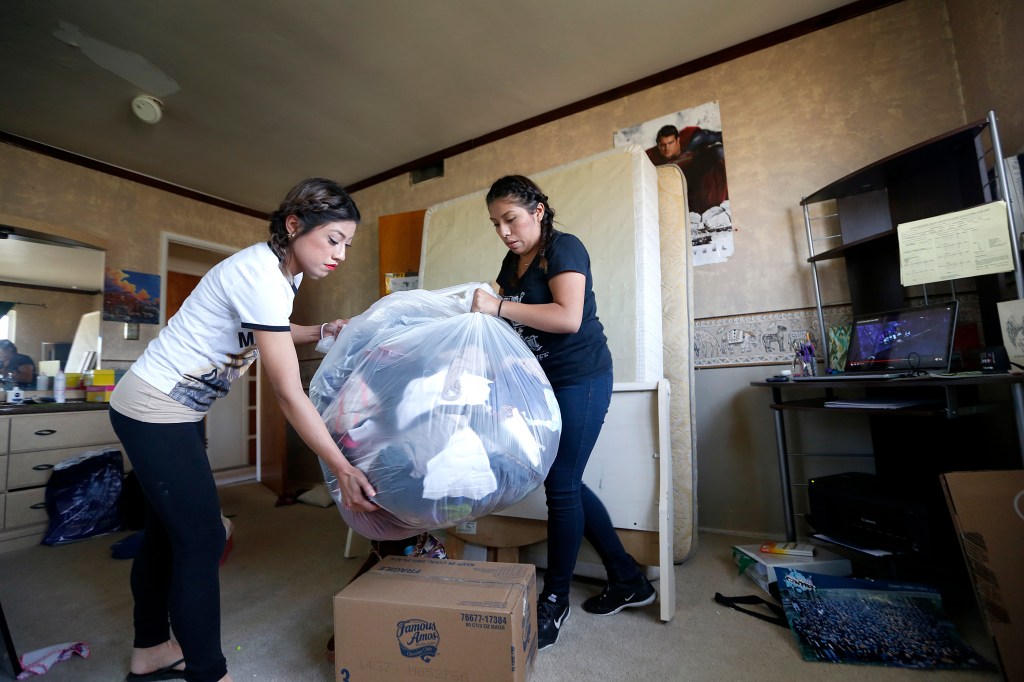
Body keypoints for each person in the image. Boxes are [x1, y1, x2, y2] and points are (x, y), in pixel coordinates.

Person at [108, 178, 379, 682]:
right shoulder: (257, 273)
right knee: (203, 537)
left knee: (169, 535)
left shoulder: (284, 274)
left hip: (177, 410)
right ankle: (209, 673)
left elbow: (268, 330)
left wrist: (320, 331)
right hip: (152, 408)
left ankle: (149, 650)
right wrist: (340, 468)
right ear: (295, 225)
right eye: (333, 239)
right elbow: (287, 392)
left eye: (347, 244)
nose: (340, 253)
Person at [470, 175, 656, 651]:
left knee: (561, 483)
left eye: (510, 218)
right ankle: (627, 577)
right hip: (541, 381)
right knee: (565, 478)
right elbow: (499, 319)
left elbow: (567, 317)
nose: (505, 231)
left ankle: (555, 597)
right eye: (496, 224)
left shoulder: (564, 247)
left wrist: (496, 307)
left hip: (583, 377)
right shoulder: (512, 263)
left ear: (537, 209)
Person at [646, 123, 728, 214]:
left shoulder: (694, 138)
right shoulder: (651, 156)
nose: (666, 148)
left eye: (670, 143)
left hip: (699, 173)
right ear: (658, 145)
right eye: (662, 145)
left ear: (678, 140)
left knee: (719, 151)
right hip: (678, 187)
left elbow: (722, 137)